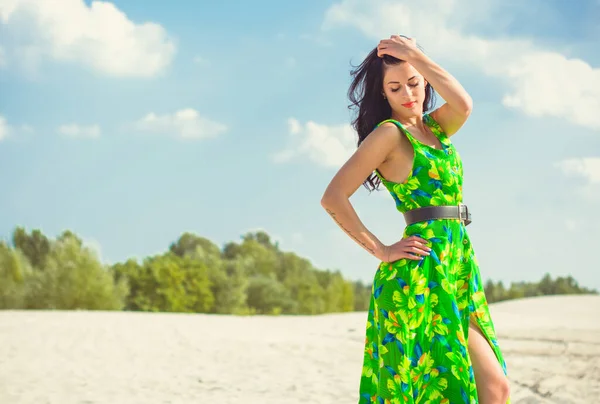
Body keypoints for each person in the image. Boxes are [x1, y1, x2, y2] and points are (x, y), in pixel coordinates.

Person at [320, 35, 511, 403]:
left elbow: (464, 104)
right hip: (420, 274)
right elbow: (333, 197)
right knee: (433, 389)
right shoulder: (389, 135)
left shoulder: (437, 128)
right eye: (395, 87)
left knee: (494, 387)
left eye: (413, 82)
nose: (407, 93)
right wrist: (382, 250)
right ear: (384, 94)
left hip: (456, 267)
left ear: (424, 80)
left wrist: (415, 55)